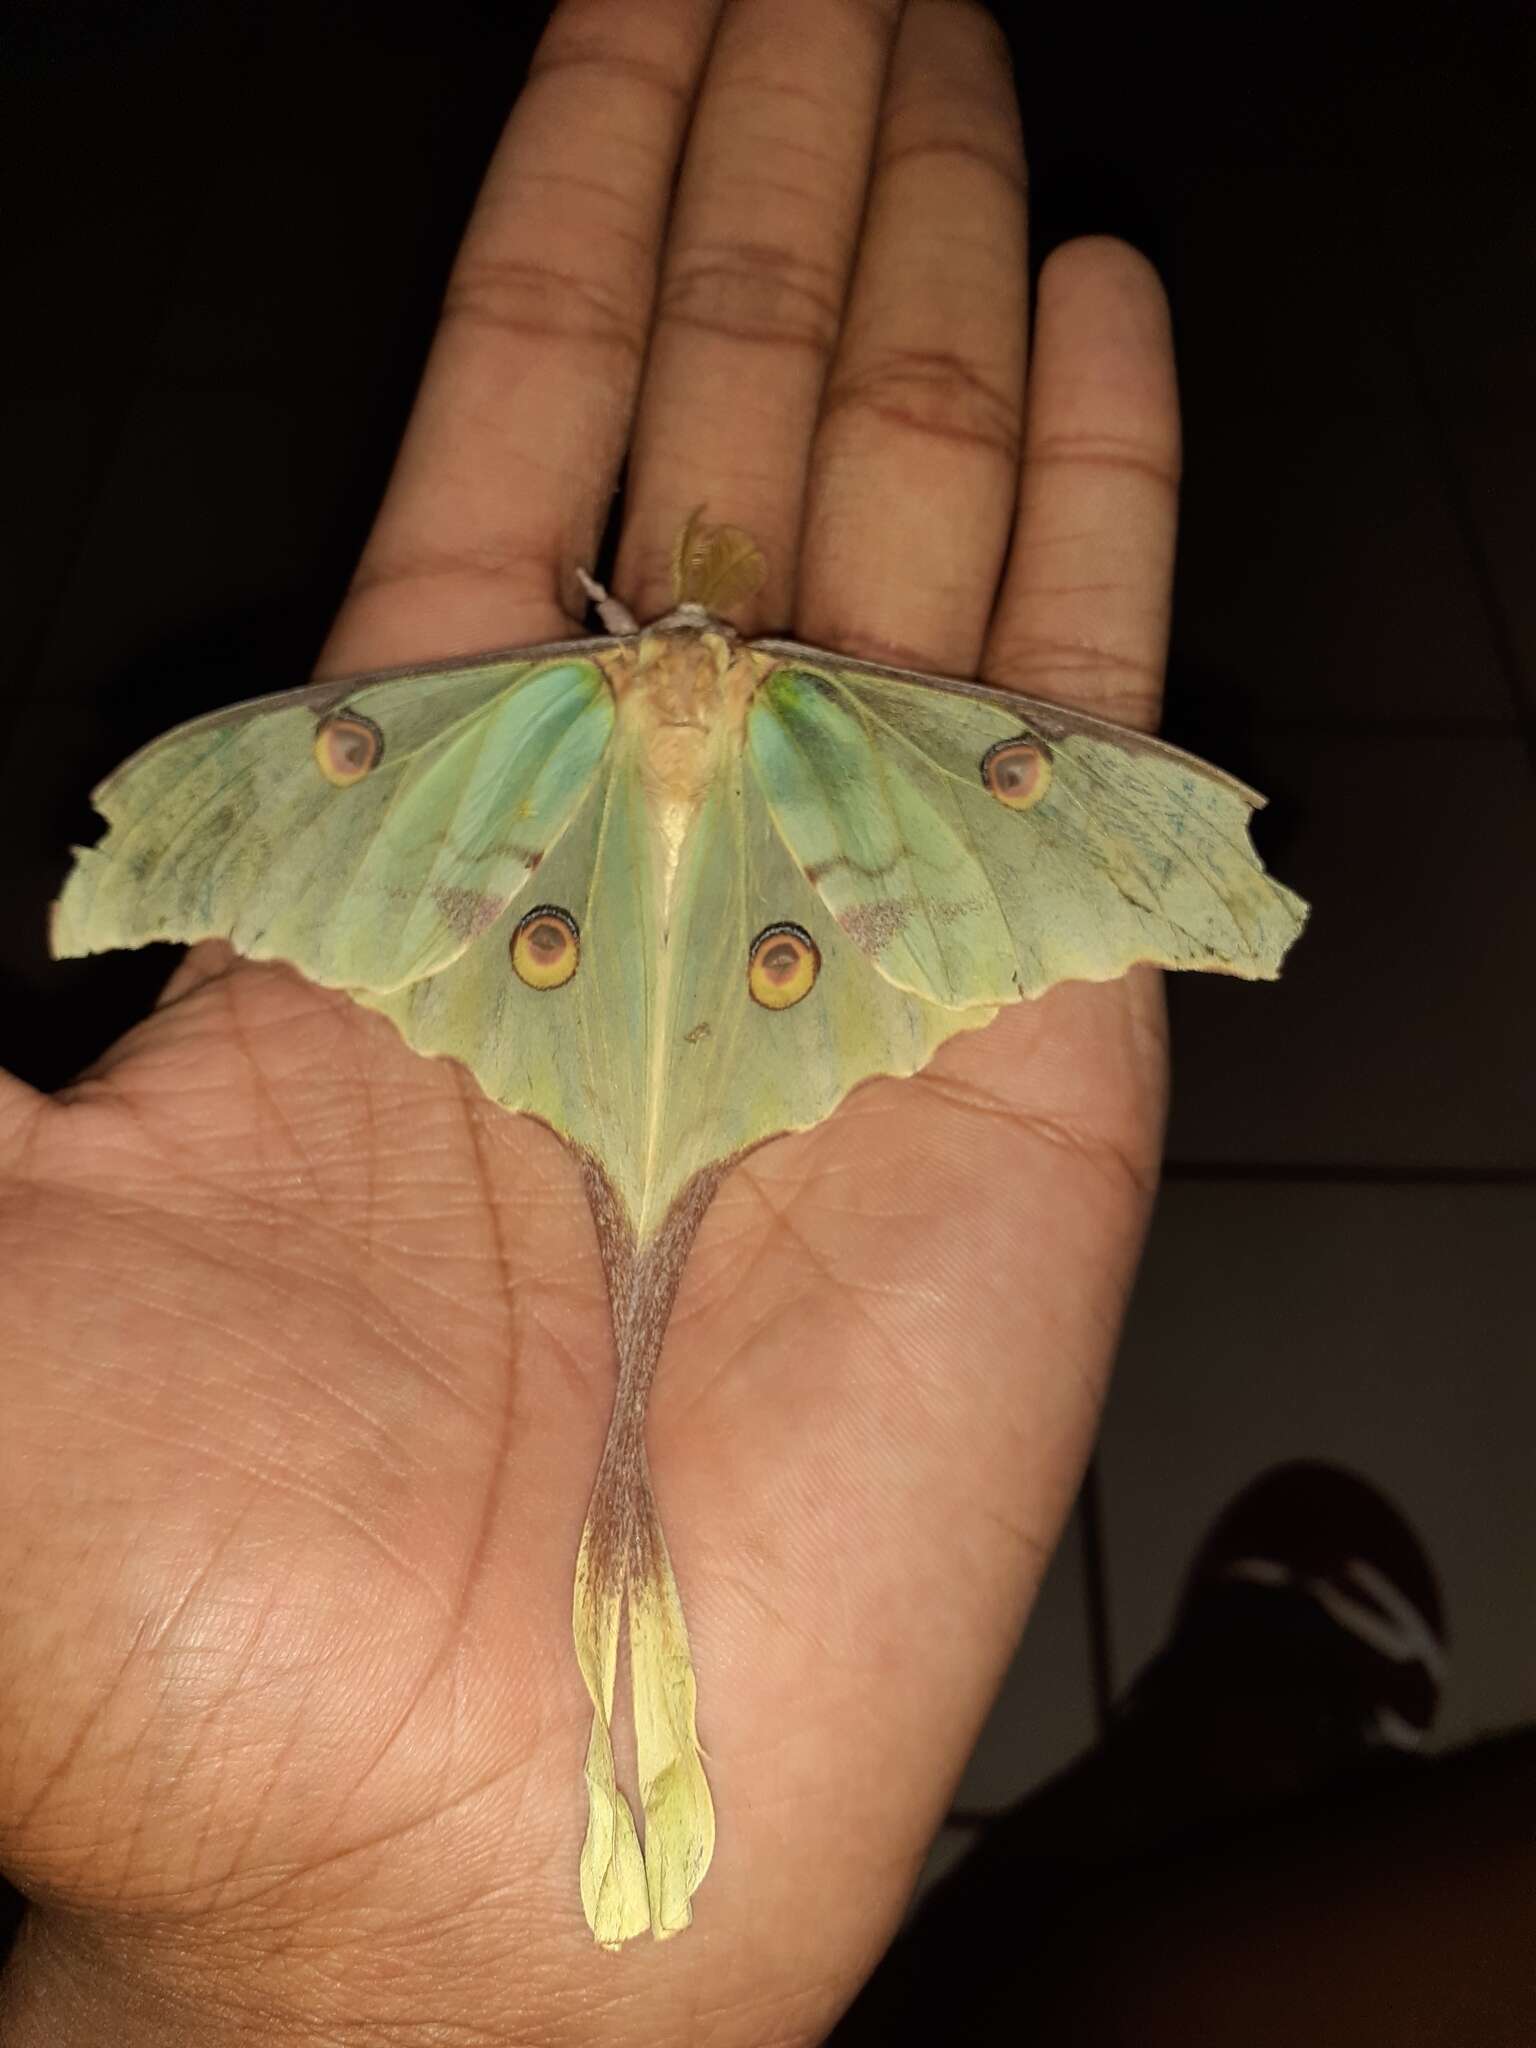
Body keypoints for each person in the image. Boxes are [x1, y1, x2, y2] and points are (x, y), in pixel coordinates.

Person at [0, 2, 1182, 2040]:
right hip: (667, 966)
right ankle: (630, 1758)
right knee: (631, 1357)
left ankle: (629, 1751)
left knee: (637, 1341)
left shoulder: (585, 687)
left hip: (632, 963)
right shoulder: (748, 697)